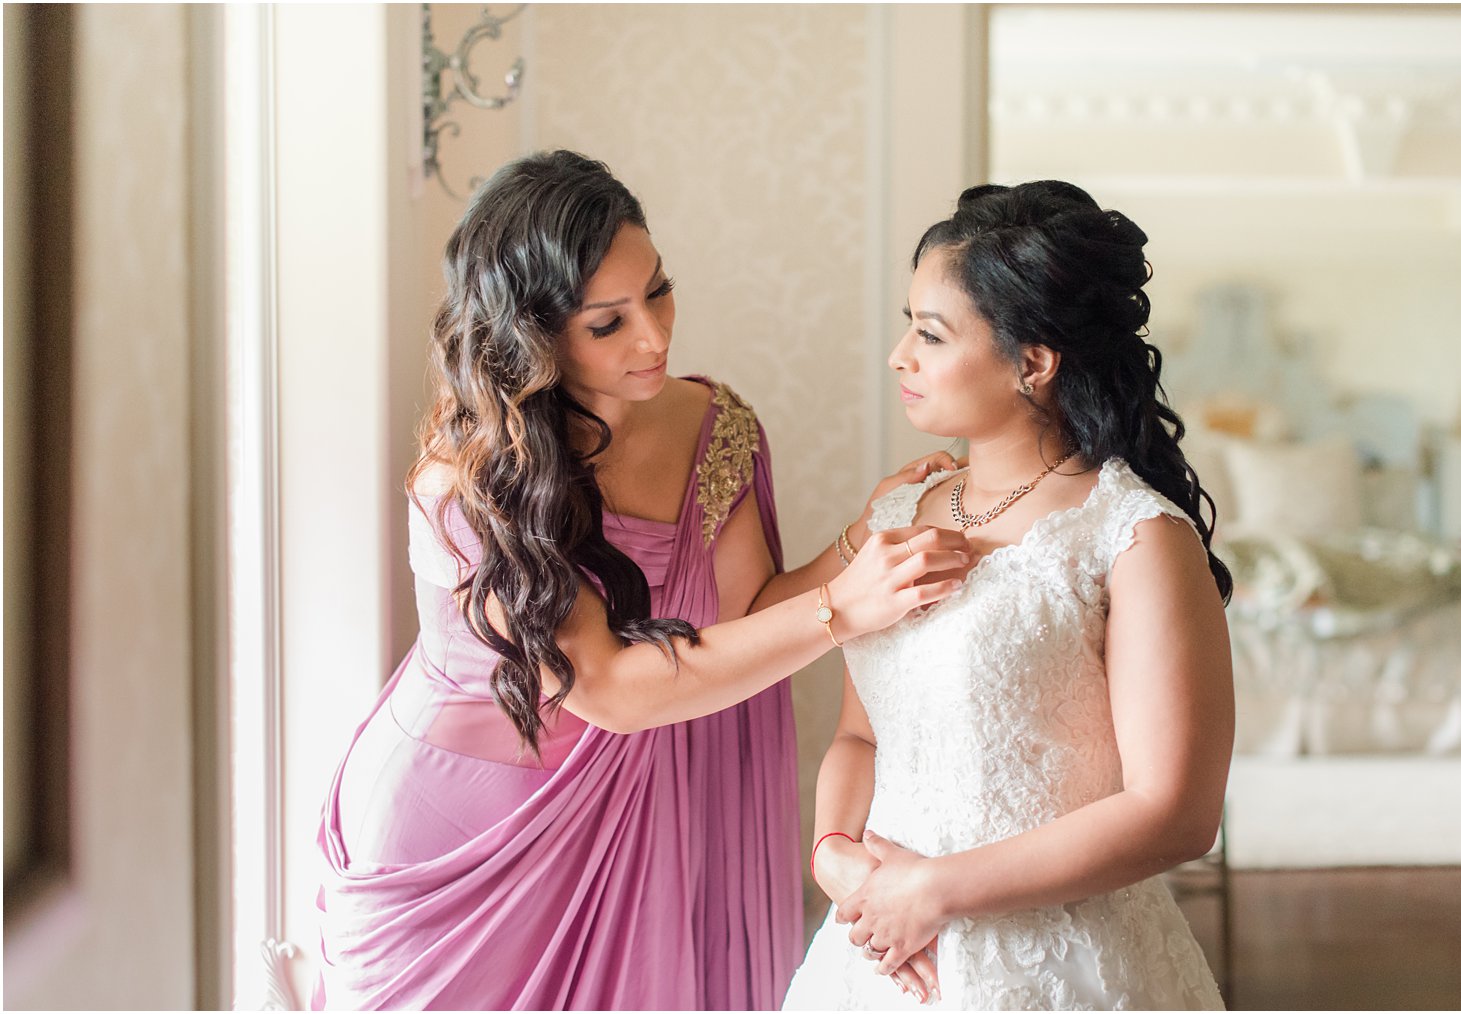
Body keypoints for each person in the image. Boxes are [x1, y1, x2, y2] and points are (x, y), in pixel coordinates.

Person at [312, 150, 971, 1010]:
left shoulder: (714, 425)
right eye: (607, 323)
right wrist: (842, 610)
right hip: (468, 834)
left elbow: (747, 619)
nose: (655, 336)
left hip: (648, 821)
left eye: (657, 292)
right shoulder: (467, 483)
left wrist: (860, 539)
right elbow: (612, 689)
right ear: (533, 334)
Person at [784, 180, 1236, 1011]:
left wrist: (935, 892)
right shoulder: (893, 516)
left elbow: (1176, 810)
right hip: (879, 953)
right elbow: (858, 735)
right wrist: (833, 852)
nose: (899, 356)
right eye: (906, 326)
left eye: (929, 334)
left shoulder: (1135, 536)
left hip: (1064, 967)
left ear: (1033, 362)